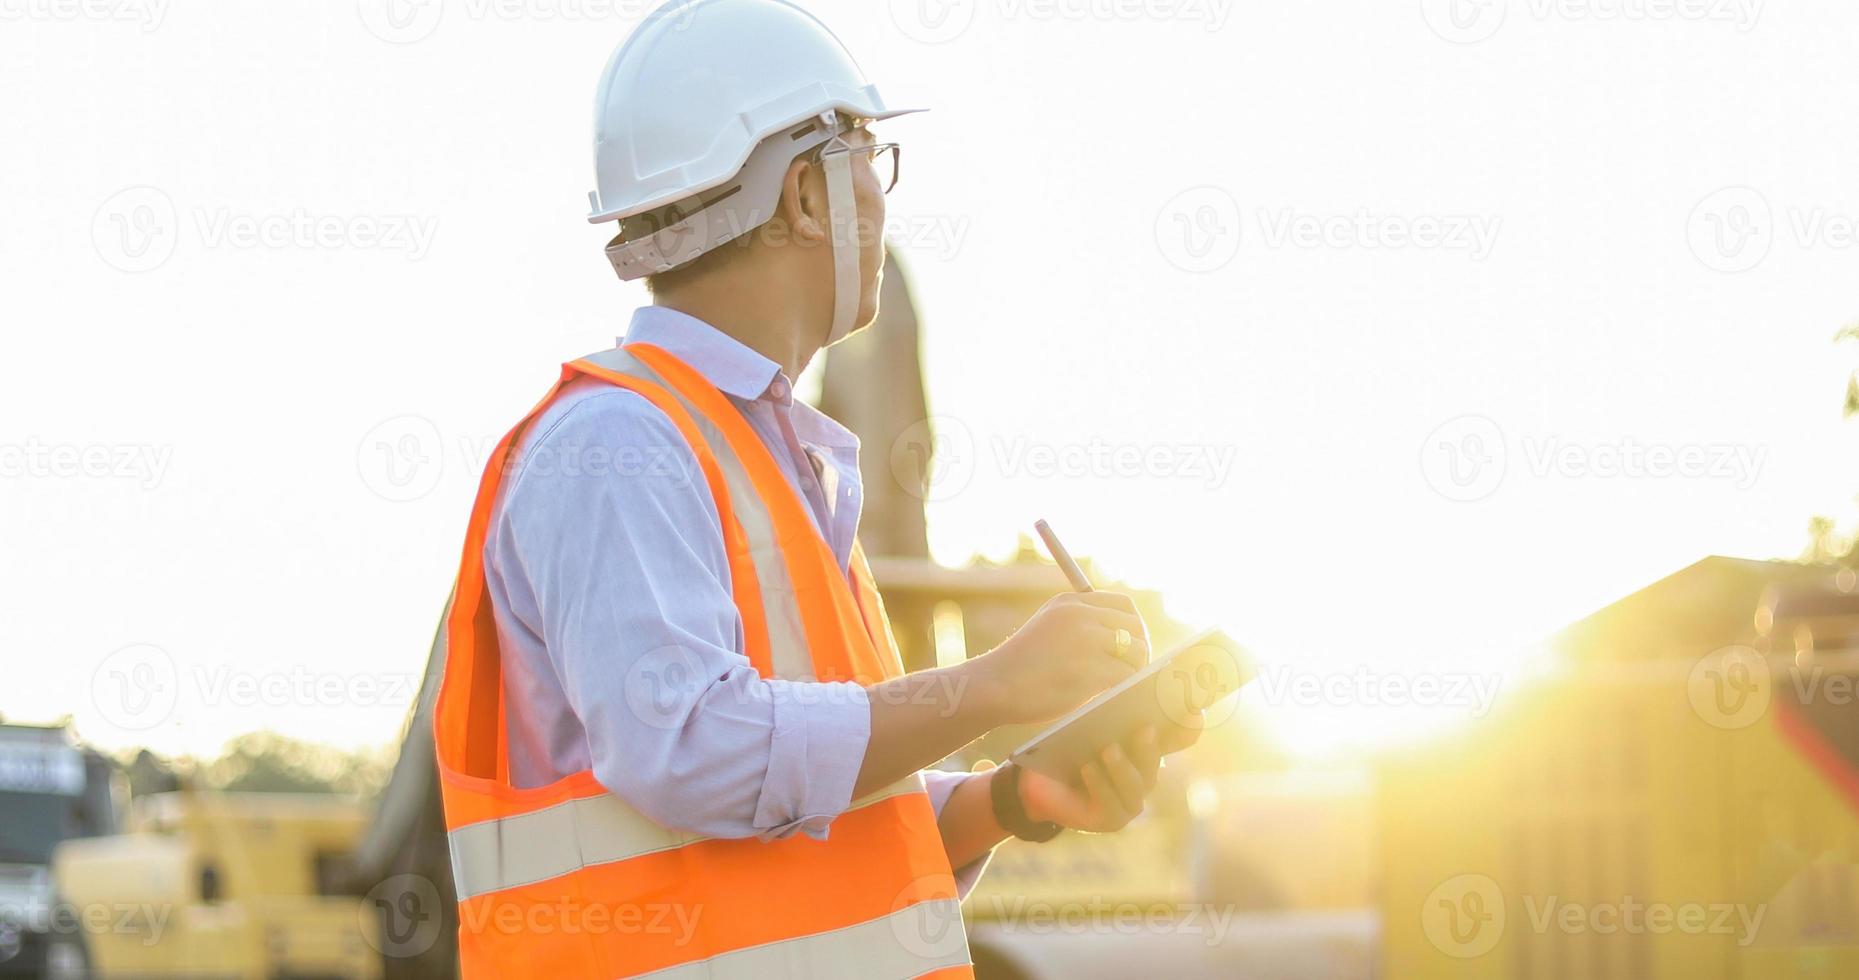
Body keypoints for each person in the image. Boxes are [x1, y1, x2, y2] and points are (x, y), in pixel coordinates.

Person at [430, 2, 1202, 976]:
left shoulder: (757, 458)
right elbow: (695, 747)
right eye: (869, 161)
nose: (881, 202)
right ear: (804, 195)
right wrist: (991, 683)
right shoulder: (613, 445)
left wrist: (1008, 798)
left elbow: (799, 813)